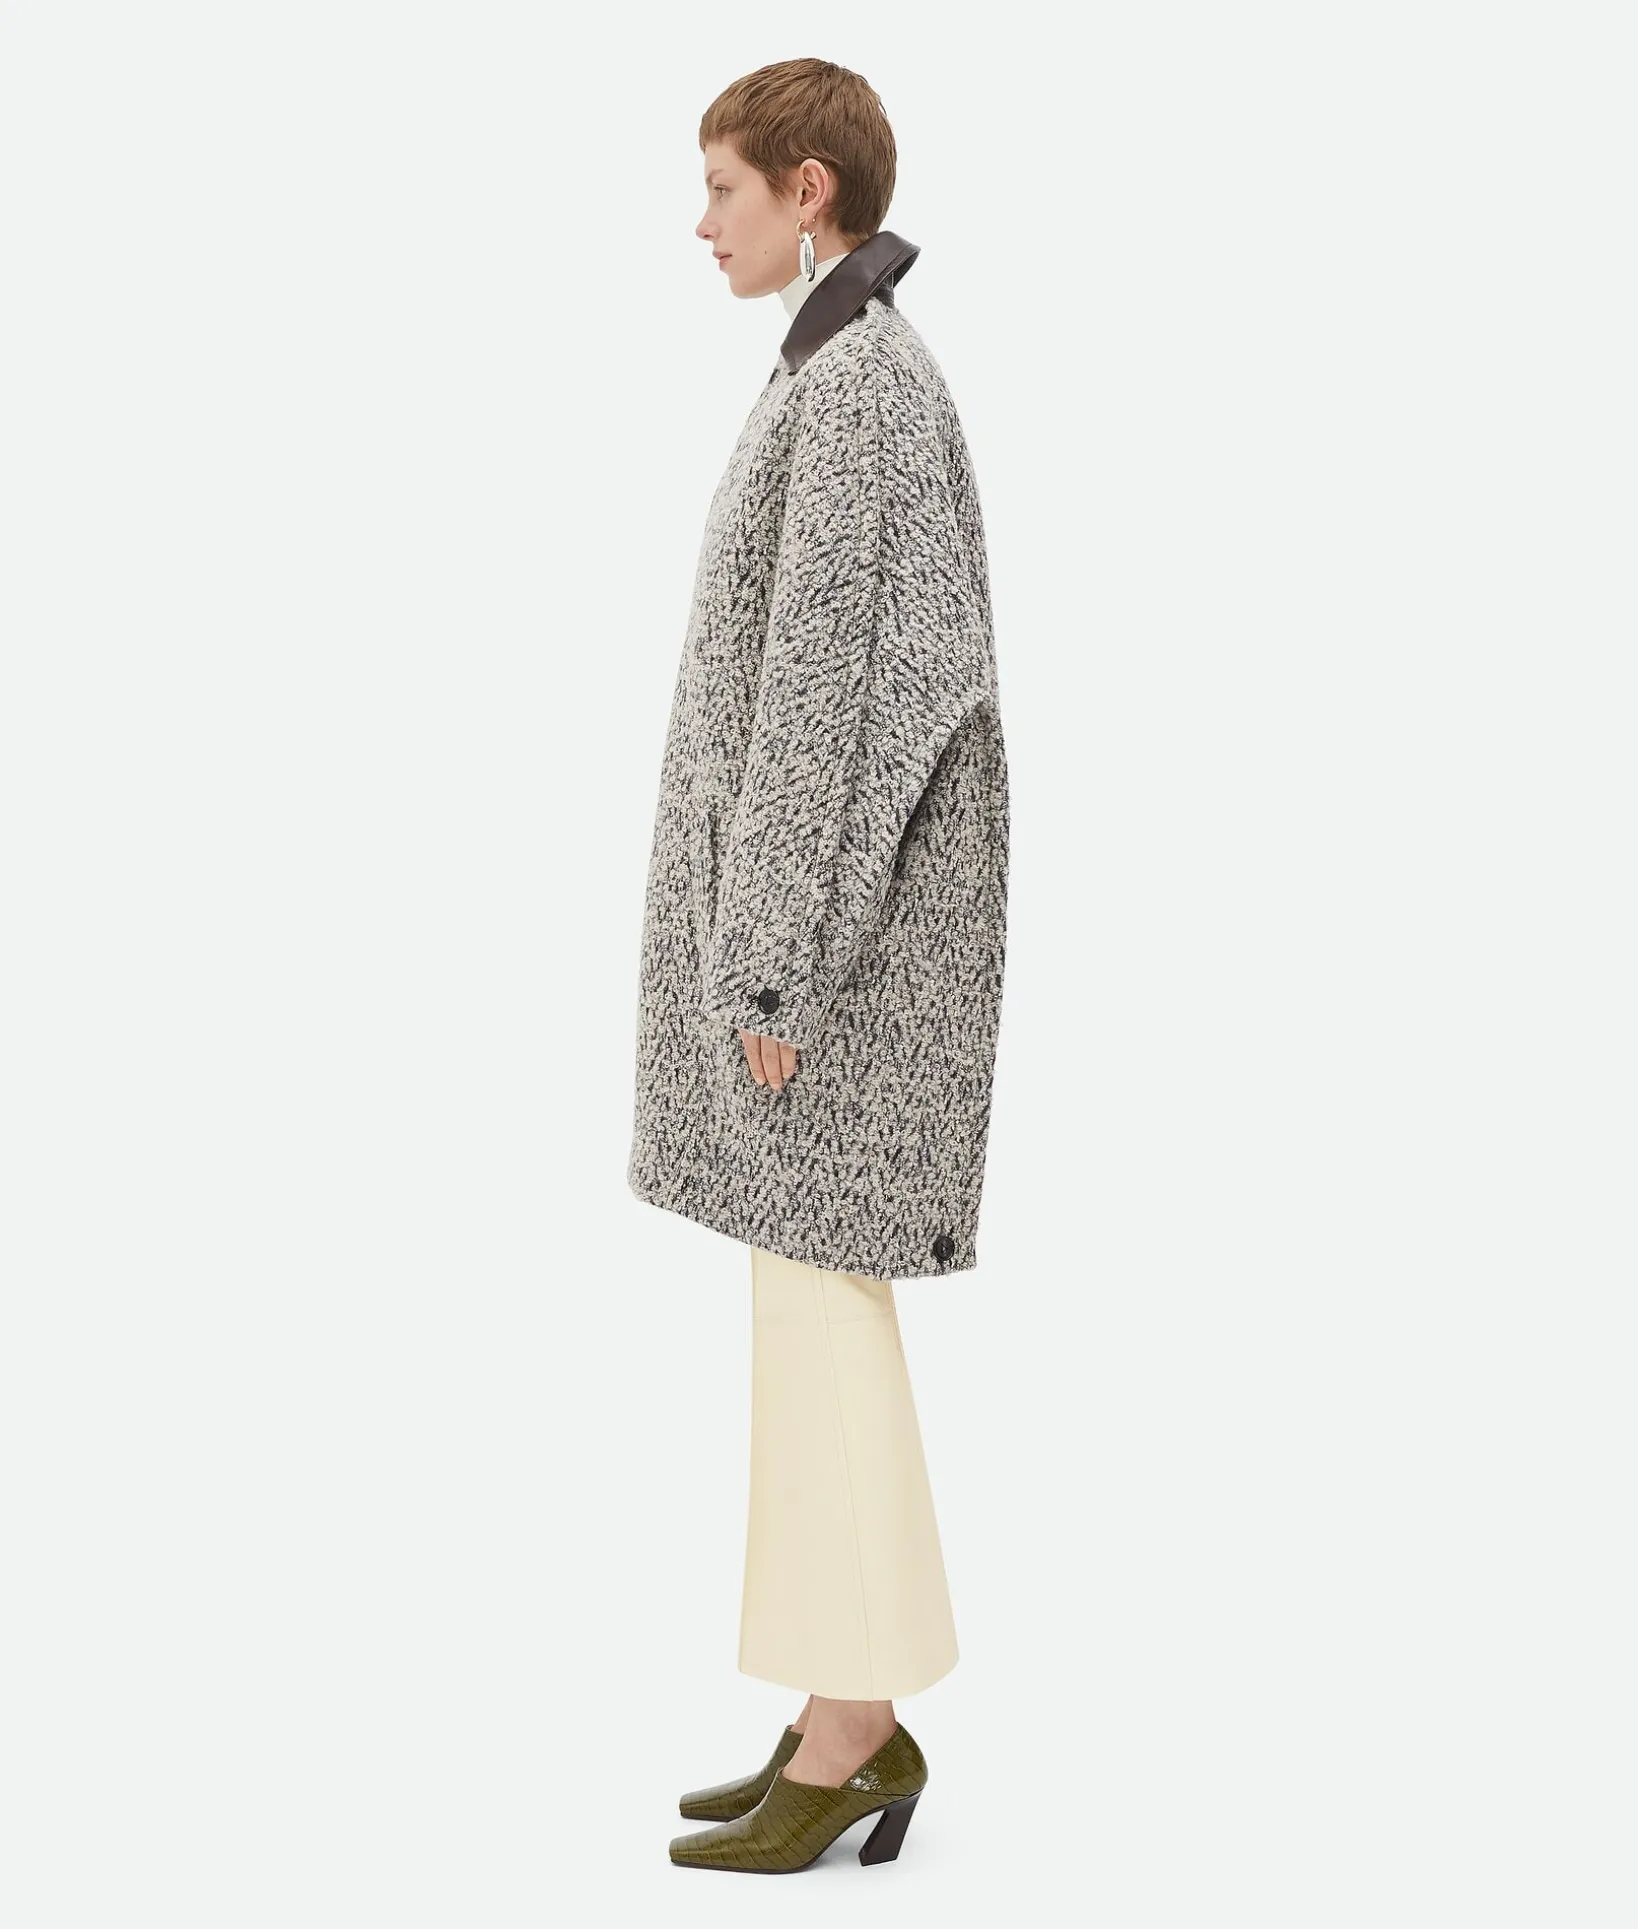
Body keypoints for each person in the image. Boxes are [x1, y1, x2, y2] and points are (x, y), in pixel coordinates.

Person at [628, 57, 1010, 1875]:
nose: (697, 223)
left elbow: (828, 708)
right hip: (843, 940)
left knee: (824, 1315)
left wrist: (769, 968)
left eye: (722, 188)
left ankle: (854, 1729)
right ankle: (834, 1711)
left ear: (808, 192)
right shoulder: (839, 369)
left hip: (838, 960)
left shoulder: (855, 390)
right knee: (809, 1310)